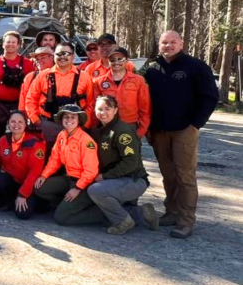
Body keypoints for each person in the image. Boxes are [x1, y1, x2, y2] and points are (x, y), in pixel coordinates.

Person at [144, 30, 219, 239]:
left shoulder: (195, 66)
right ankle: (172, 211)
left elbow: (211, 97)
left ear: (181, 43)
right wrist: (149, 127)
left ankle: (186, 220)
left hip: (184, 130)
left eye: (173, 42)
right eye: (164, 42)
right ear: (159, 45)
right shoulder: (153, 69)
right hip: (159, 130)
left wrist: (195, 124)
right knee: (168, 174)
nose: (168, 46)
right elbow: (146, 100)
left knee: (185, 175)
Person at [87, 95, 159, 235]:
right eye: (99, 109)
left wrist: (106, 176)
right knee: (100, 206)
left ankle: (123, 221)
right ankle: (143, 213)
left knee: (96, 191)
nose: (103, 112)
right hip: (116, 180)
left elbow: (131, 162)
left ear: (115, 110)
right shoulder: (99, 130)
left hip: (133, 179)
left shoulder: (122, 131)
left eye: (107, 108)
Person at [33, 105, 99, 226]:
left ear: (79, 120)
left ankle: (100, 214)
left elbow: (91, 171)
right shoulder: (62, 135)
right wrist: (44, 175)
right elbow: (55, 159)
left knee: (61, 218)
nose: (69, 120)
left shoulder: (86, 141)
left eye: (73, 117)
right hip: (68, 178)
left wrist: (78, 188)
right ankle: (67, 205)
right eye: (66, 117)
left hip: (84, 185)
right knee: (39, 188)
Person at [25, 41, 93, 149]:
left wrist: (85, 125)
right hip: (48, 126)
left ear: (73, 55)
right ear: (54, 56)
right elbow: (30, 99)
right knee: (47, 157)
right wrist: (37, 121)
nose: (62, 57)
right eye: (59, 54)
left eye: (66, 54)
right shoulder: (43, 75)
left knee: (72, 160)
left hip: (75, 126)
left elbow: (90, 103)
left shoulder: (84, 77)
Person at [0, 110, 46, 219]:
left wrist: (23, 195)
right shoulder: (3, 140)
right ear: (8, 124)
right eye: (13, 122)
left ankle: (36, 202)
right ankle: (10, 201)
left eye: (20, 122)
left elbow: (35, 172)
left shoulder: (35, 143)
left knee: (23, 214)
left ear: (26, 124)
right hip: (13, 182)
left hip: (30, 186)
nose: (16, 125)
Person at [89, 47, 151, 137]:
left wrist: (141, 131)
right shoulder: (99, 82)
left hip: (130, 126)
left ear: (127, 61)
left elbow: (145, 108)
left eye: (120, 59)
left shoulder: (138, 80)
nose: (116, 62)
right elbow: (94, 107)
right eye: (112, 60)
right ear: (108, 61)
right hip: (106, 126)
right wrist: (95, 129)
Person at [0, 31, 35, 145]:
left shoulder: (27, 64)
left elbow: (32, 86)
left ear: (19, 45)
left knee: (19, 135)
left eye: (14, 42)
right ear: (3, 44)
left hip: (18, 104)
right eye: (8, 42)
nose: (10, 44)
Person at [19, 47, 54, 113]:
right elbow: (22, 102)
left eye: (43, 57)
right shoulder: (30, 77)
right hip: (33, 117)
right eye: (37, 59)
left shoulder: (58, 75)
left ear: (52, 58)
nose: (39, 60)